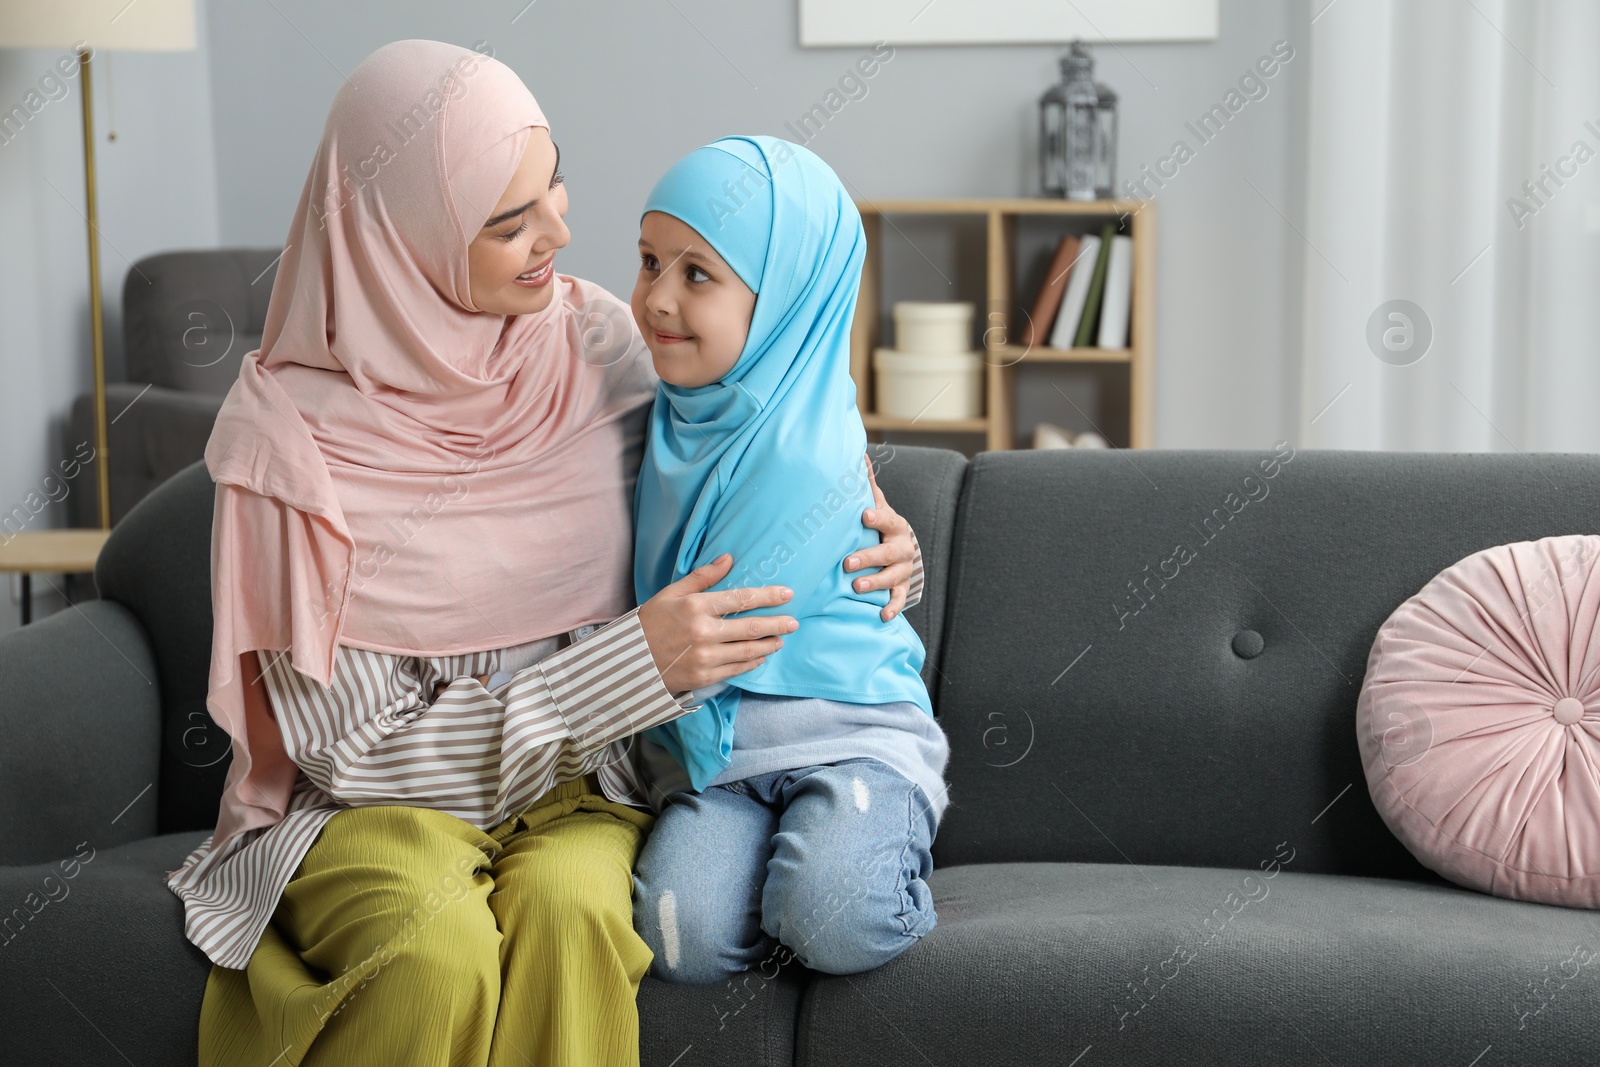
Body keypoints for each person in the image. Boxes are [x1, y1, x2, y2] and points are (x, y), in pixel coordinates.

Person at [165, 42, 924, 1067]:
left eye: (553, 184)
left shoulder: (596, 344)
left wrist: (874, 524)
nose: (560, 232)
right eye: (508, 220)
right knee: (434, 949)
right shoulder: (287, 447)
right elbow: (347, 753)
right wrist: (630, 668)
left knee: (576, 916)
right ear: (404, 238)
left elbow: (754, 432)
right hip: (379, 807)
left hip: (583, 790)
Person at [629, 136, 950, 984]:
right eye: (649, 260)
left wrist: (903, 557)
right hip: (724, 763)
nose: (657, 298)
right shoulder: (656, 411)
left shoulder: (815, 443)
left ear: (786, 304)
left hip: (851, 738)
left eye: (698, 274)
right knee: (675, 936)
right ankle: (794, 898)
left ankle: (865, 867)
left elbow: (820, 564)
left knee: (835, 913)